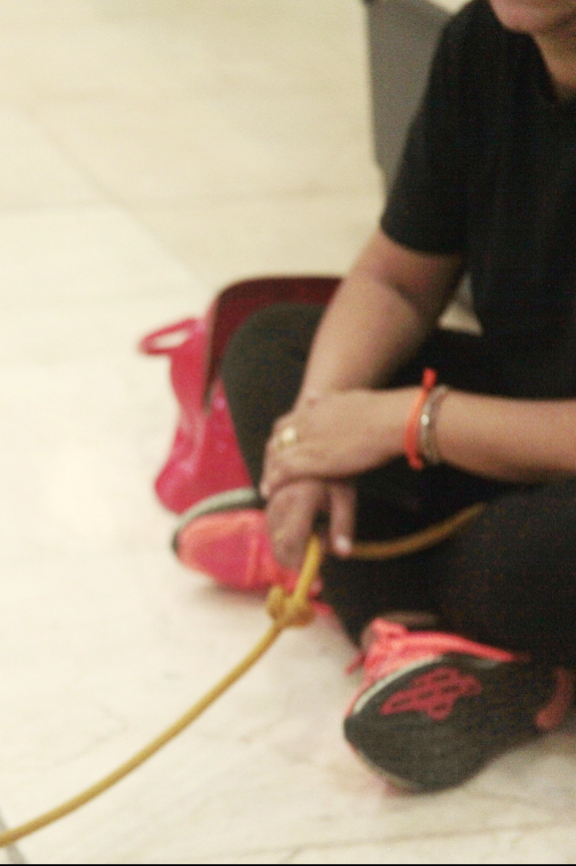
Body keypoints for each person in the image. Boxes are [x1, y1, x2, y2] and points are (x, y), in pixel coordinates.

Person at [192, 0, 576, 791]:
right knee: (275, 350)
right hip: (521, 429)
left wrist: (412, 423)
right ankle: (428, 634)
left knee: (524, 563)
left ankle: (366, 578)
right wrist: (318, 435)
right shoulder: (481, 44)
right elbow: (394, 280)